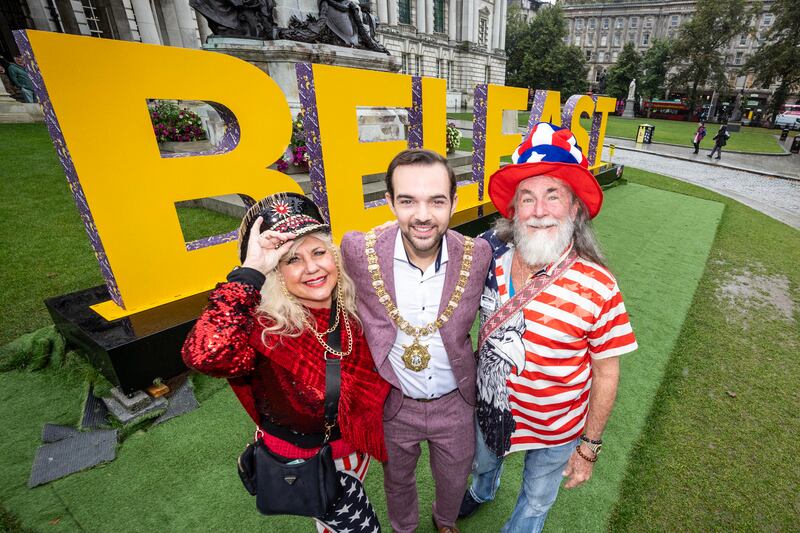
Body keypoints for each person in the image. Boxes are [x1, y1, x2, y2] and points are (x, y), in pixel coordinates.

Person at [458, 122, 639, 533]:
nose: (539, 211)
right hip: (491, 408)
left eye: (553, 195)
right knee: (482, 465)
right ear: (514, 209)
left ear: (575, 208)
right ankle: (484, 490)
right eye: (528, 197)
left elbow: (606, 370)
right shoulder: (488, 256)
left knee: (537, 502)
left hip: (556, 426)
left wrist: (589, 447)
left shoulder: (599, 285)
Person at [182, 192, 390, 532]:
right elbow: (204, 353)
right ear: (274, 272)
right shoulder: (262, 329)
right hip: (305, 460)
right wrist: (250, 272)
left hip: (356, 446)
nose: (311, 268)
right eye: (291, 259)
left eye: (319, 252)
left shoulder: (351, 303)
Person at [340, 149, 492, 533]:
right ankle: (404, 528)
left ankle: (445, 521)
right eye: (408, 200)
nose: (423, 215)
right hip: (393, 401)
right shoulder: (357, 251)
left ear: (454, 202)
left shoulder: (478, 255)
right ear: (389, 201)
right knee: (397, 479)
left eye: (437, 201)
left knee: (456, 476)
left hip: (456, 401)